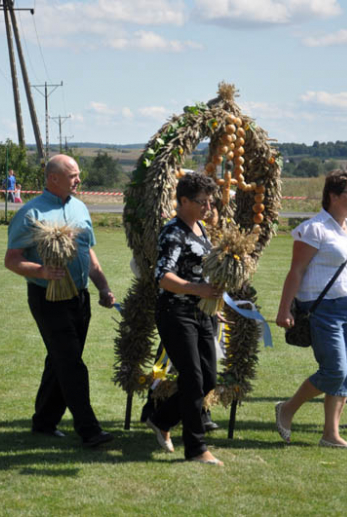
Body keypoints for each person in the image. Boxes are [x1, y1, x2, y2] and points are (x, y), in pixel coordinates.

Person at [4, 154, 116, 448]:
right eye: (73, 175)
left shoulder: (80, 208)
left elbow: (88, 253)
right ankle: (89, 429)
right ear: (53, 178)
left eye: (78, 175)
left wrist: (103, 287)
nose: (79, 180)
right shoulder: (30, 214)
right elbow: (12, 260)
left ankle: (44, 421)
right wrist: (42, 270)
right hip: (47, 298)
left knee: (60, 360)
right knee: (71, 363)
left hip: (80, 297)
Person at [275, 170, 347, 451]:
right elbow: (296, 271)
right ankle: (287, 409)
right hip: (322, 307)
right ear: (333, 196)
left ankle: (331, 434)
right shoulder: (315, 228)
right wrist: (284, 308)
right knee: (335, 371)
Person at [145, 173, 223, 465]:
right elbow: (162, 276)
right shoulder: (173, 232)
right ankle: (196, 448)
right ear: (184, 201)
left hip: (202, 312)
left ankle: (161, 420)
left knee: (208, 379)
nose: (208, 207)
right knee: (192, 379)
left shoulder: (201, 228)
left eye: (210, 201)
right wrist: (197, 289)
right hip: (175, 313)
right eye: (202, 202)